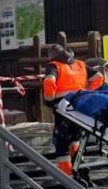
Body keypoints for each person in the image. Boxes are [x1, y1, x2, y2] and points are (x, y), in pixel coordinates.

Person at [43, 44, 104, 176]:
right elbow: (99, 77)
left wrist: (49, 100)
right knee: (75, 138)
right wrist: (89, 95)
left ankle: (68, 176)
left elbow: (49, 81)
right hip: (80, 109)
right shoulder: (81, 64)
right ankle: (79, 168)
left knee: (61, 143)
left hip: (63, 109)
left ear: (52, 56)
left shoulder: (54, 66)